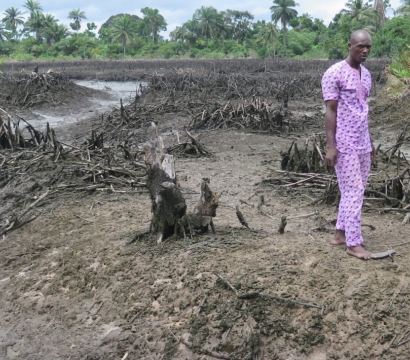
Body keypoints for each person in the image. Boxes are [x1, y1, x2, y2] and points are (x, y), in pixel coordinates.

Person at [321, 29, 375, 260]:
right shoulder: (334, 73)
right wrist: (331, 147)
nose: (364, 50)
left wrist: (370, 144)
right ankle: (354, 244)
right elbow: (330, 112)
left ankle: (340, 234)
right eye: (360, 46)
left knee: (353, 191)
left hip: (362, 142)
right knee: (353, 192)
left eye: (368, 47)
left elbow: (362, 112)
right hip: (344, 144)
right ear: (350, 45)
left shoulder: (367, 74)